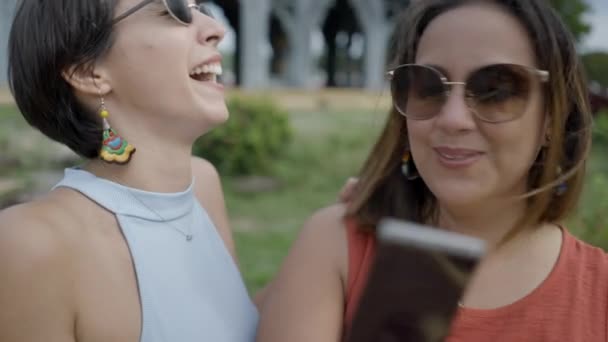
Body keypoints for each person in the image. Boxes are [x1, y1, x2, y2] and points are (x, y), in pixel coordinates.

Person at [256, 0, 604, 341]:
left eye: (496, 90)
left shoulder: (598, 292)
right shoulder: (338, 246)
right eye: (428, 86)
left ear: (552, 118)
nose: (452, 119)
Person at [0, 0, 260, 341]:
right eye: (172, 11)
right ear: (88, 71)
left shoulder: (203, 187)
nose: (216, 30)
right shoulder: (31, 242)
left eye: (202, 9)